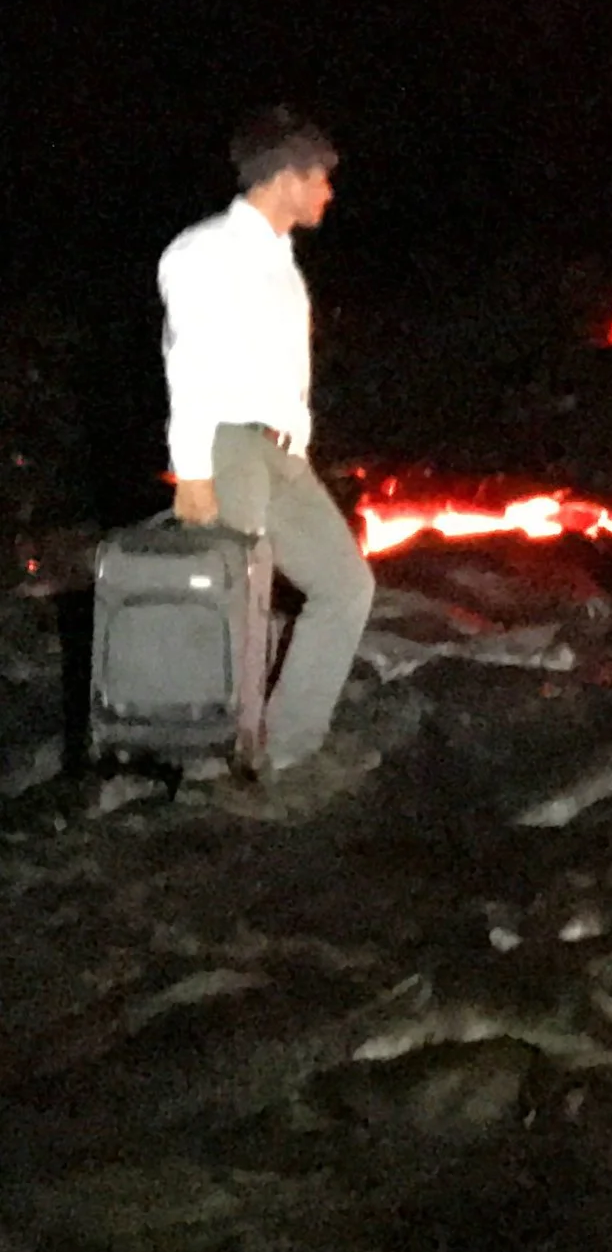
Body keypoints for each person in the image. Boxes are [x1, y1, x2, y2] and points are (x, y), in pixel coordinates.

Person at [160, 105, 376, 785]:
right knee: (236, 604)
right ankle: (216, 761)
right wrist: (193, 471)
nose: (328, 193)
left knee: (346, 586)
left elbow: (283, 370)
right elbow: (186, 361)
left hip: (281, 452)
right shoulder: (205, 251)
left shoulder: (281, 263)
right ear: (285, 178)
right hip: (227, 444)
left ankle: (285, 748)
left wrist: (300, 446)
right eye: (319, 179)